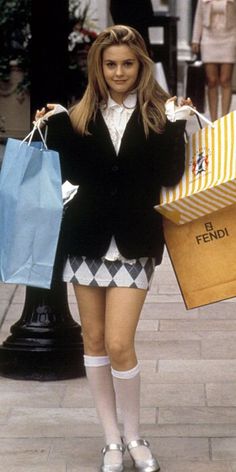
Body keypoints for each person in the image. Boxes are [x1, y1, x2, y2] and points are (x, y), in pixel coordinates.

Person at [36, 25, 191, 472]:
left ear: (140, 65)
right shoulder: (76, 117)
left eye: (127, 63)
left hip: (135, 242)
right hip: (84, 242)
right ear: (98, 68)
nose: (118, 72)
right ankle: (111, 441)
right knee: (94, 339)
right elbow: (61, 170)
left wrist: (177, 124)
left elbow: (170, 173)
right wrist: (49, 124)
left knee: (121, 343)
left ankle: (135, 436)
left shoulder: (160, 114)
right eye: (110, 64)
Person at [191, 0, 236, 121]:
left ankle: (225, 119)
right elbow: (199, 17)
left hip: (230, 37)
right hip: (209, 38)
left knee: (225, 80)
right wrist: (195, 39)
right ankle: (214, 121)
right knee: (211, 81)